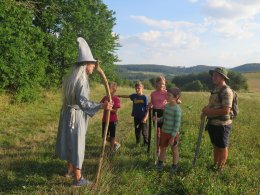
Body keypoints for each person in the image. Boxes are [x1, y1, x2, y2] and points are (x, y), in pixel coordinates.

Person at [55, 37, 112, 187]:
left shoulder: (72, 78)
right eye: (92, 64)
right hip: (75, 115)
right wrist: (102, 106)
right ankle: (78, 178)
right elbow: (83, 102)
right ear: (86, 64)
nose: (93, 67)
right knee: (77, 144)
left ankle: (69, 170)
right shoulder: (81, 80)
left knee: (69, 141)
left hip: (68, 114)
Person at [201, 67, 233, 171]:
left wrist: (208, 112)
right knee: (216, 145)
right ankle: (215, 164)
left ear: (223, 77)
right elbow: (213, 105)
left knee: (222, 146)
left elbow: (226, 110)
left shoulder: (226, 91)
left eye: (216, 76)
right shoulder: (215, 89)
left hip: (222, 124)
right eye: (213, 75)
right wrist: (205, 111)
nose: (213, 78)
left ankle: (220, 168)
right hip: (212, 123)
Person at [155, 87, 182, 173]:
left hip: (172, 134)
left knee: (174, 150)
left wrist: (172, 137)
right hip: (164, 132)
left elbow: (177, 125)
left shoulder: (177, 110)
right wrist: (159, 119)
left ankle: (175, 165)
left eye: (169, 95)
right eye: (167, 94)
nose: (167, 96)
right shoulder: (166, 106)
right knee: (163, 148)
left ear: (176, 97)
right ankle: (161, 163)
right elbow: (164, 118)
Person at [118, 81, 149, 146]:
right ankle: (138, 142)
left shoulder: (145, 97)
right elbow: (127, 96)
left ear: (142, 88)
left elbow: (147, 109)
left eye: (139, 88)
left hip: (143, 117)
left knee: (144, 131)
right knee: (137, 130)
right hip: (136, 116)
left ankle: (146, 143)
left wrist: (145, 117)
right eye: (136, 88)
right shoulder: (134, 96)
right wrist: (119, 95)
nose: (137, 90)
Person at [100, 82, 121, 152]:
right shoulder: (105, 97)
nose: (107, 89)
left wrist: (109, 108)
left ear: (113, 89)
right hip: (105, 120)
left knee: (112, 135)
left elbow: (115, 111)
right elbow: (100, 105)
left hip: (113, 120)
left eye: (108, 88)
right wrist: (104, 105)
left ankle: (111, 149)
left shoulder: (116, 99)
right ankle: (116, 143)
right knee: (104, 136)